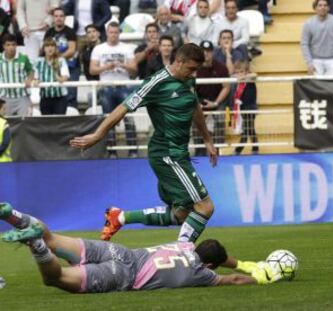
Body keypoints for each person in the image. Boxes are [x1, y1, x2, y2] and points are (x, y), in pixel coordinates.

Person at [70, 43, 218, 243]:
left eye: (196, 70)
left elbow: (195, 106)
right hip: (167, 155)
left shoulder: (188, 80)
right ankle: (181, 255)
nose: (194, 74)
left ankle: (120, 217)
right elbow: (123, 108)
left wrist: (207, 139)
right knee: (205, 207)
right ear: (179, 61)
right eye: (191, 69)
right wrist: (98, 134)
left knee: (182, 214)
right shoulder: (156, 83)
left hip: (179, 154)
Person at [0, 202, 282, 293]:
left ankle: (13, 216)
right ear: (209, 265)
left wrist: (236, 261)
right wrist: (262, 277)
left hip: (119, 253)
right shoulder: (203, 275)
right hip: (123, 275)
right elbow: (231, 278)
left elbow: (214, 254)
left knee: (54, 238)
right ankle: (35, 244)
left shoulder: (183, 243)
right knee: (55, 278)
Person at [89, 21, 138, 158]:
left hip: (125, 87)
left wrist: (123, 65)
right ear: (107, 33)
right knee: (109, 119)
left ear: (119, 33)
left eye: (116, 32)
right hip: (106, 87)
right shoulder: (99, 49)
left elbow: (134, 69)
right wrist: (106, 67)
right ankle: (111, 151)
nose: (114, 35)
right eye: (111, 32)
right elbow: (92, 70)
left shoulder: (127, 48)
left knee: (129, 118)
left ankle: (133, 149)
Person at [195, 40, 230, 156]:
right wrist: (197, 103)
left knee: (220, 118)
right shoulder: (192, 68)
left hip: (217, 101)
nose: (205, 54)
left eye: (208, 51)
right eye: (202, 51)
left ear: (213, 52)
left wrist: (215, 103)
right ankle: (199, 152)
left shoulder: (221, 67)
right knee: (194, 119)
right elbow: (187, 89)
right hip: (199, 101)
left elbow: (226, 87)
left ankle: (218, 151)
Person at [301, 0, 333, 75]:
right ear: (315, 8)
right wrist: (309, 63)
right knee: (316, 86)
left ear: (329, 8)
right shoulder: (308, 23)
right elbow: (304, 44)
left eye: (325, 5)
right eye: (320, 5)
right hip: (316, 60)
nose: (322, 7)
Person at [44, 7, 79, 108]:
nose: (58, 18)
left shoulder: (70, 32)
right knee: (56, 94)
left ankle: (72, 118)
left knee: (71, 95)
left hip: (71, 66)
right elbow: (44, 49)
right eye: (56, 16)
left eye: (61, 16)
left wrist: (57, 59)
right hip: (54, 67)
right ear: (53, 18)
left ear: (65, 18)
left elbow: (71, 50)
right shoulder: (49, 32)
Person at [0, 34, 34, 116]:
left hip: (22, 96)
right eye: (8, 45)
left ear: (16, 45)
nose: (11, 47)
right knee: (5, 124)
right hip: (5, 97)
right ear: (3, 46)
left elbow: (31, 71)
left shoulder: (23, 58)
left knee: (25, 123)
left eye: (13, 44)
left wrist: (29, 79)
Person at [34, 38, 70, 115]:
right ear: (43, 49)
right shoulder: (38, 61)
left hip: (60, 98)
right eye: (47, 46)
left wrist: (59, 77)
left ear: (55, 48)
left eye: (52, 46)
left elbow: (65, 77)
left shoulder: (61, 60)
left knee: (59, 122)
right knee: (47, 123)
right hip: (45, 97)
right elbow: (34, 77)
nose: (50, 48)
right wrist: (36, 80)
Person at [230, 60, 258, 155]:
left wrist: (243, 77)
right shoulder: (237, 83)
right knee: (250, 129)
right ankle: (255, 148)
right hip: (241, 109)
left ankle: (238, 150)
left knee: (247, 130)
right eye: (237, 72)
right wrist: (236, 76)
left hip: (250, 109)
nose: (239, 74)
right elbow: (231, 77)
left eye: (241, 72)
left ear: (246, 71)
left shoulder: (249, 81)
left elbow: (254, 75)